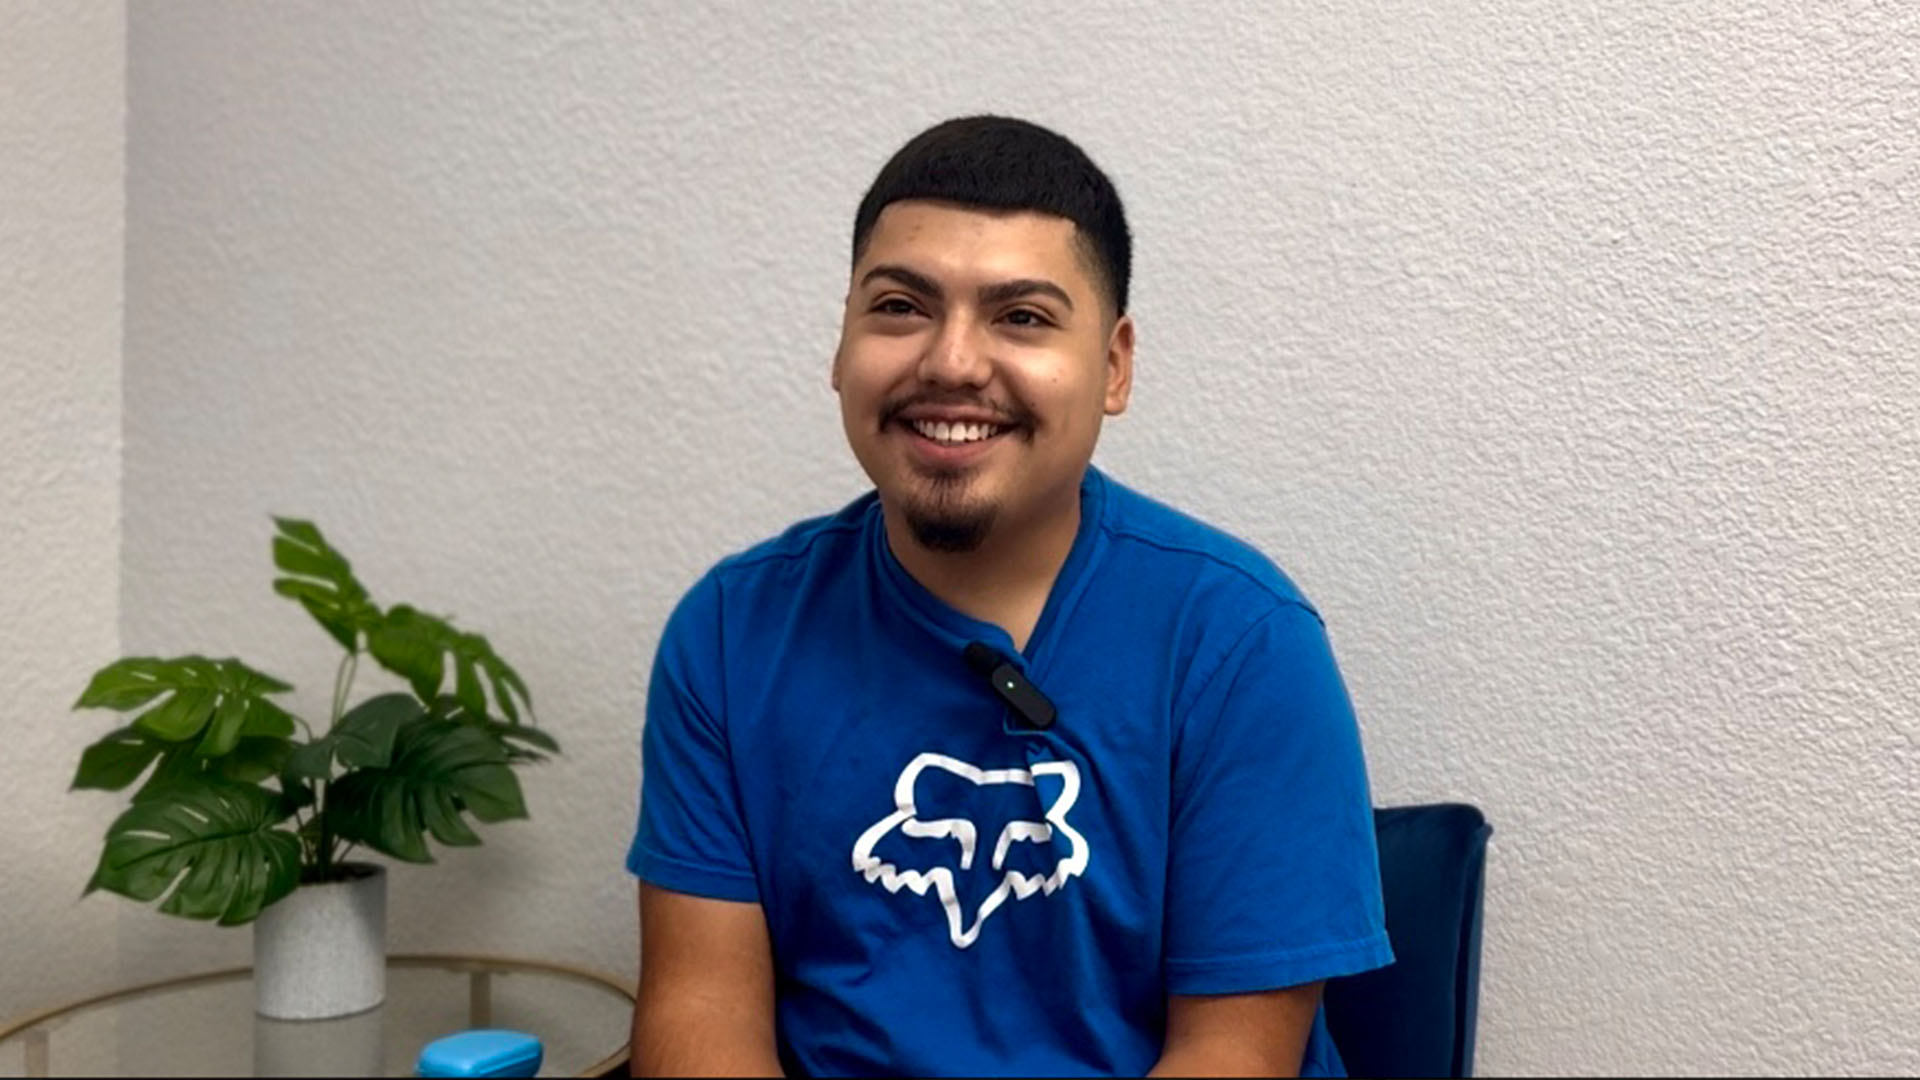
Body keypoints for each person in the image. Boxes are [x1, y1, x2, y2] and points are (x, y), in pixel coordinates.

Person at [627, 115, 1392, 1078]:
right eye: (900, 307)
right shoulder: (730, 633)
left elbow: (1234, 1058)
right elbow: (700, 1016)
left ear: (1112, 367)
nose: (950, 362)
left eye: (1021, 317)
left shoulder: (1240, 643)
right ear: (840, 343)